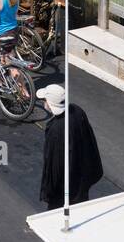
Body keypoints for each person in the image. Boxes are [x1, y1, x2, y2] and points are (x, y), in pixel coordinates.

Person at [36, 83, 104, 212]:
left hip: (66, 188)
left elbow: (55, 163)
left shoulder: (56, 129)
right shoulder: (77, 111)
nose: (44, 103)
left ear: (50, 104)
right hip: (82, 177)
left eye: (45, 100)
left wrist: (49, 190)